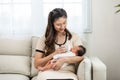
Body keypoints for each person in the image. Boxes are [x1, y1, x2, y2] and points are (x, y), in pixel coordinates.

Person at [34, 8, 86, 80]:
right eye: (58, 24)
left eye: (64, 23)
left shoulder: (74, 36)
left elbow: (81, 57)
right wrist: (54, 53)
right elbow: (36, 64)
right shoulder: (44, 39)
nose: (62, 27)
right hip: (48, 72)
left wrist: (63, 60)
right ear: (52, 24)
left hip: (67, 73)